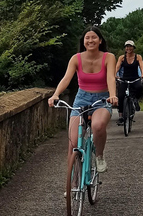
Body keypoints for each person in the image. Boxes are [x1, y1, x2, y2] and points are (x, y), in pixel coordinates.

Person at [48, 26, 117, 173]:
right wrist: (56, 94)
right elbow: (66, 78)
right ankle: (73, 184)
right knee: (73, 142)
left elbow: (111, 78)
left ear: (100, 41)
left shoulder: (109, 57)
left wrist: (112, 94)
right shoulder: (76, 58)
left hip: (102, 99)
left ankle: (99, 155)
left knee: (97, 126)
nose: (90, 40)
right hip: (81, 99)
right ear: (83, 41)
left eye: (94, 37)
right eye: (87, 38)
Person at [115, 40, 143, 125]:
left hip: (135, 78)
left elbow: (141, 65)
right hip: (124, 79)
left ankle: (135, 100)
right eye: (127, 46)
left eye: (130, 46)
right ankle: (121, 116)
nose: (128, 48)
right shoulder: (122, 58)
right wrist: (114, 74)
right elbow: (117, 67)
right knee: (121, 96)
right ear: (125, 48)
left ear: (133, 48)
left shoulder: (138, 57)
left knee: (139, 87)